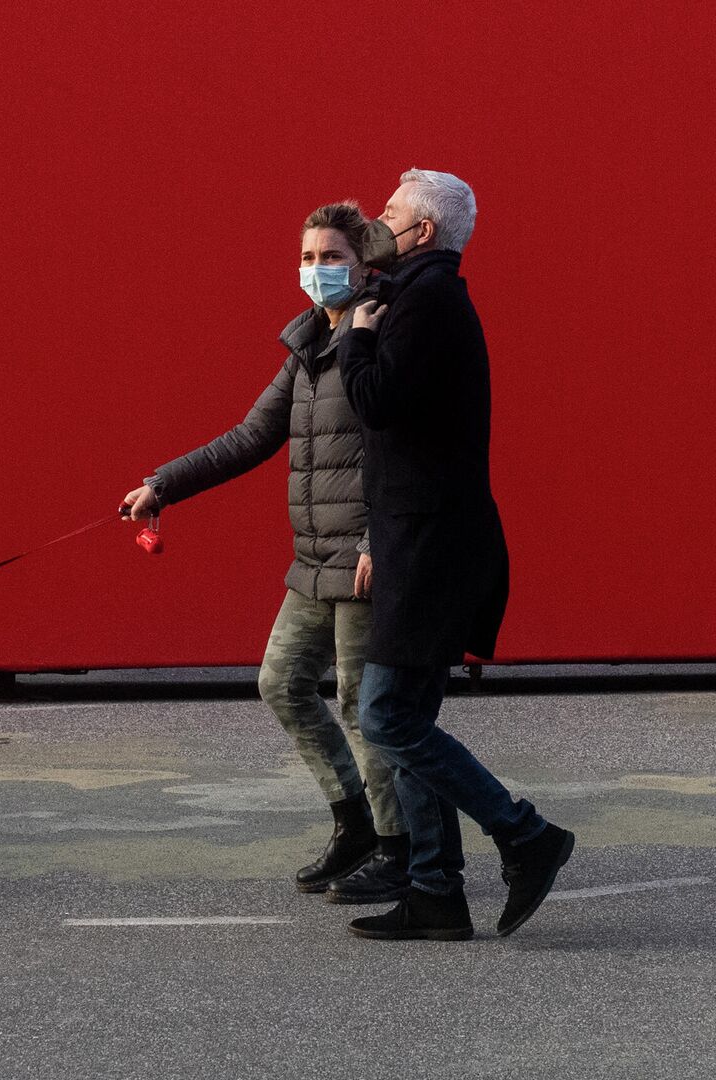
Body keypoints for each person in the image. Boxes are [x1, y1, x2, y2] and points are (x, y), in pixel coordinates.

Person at [121, 202, 408, 903]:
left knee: (359, 705)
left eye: (332, 257)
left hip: (363, 560)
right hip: (313, 558)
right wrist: (163, 484)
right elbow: (249, 438)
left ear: (363, 262)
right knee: (280, 685)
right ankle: (355, 824)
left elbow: (404, 450)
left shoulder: (378, 338)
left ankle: (398, 847)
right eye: (309, 258)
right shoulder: (309, 346)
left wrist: (378, 539)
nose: (317, 271)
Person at [338, 168, 573, 940]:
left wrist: (357, 337)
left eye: (390, 212)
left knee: (388, 718)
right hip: (423, 539)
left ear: (423, 231)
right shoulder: (418, 295)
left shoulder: (427, 302)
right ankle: (436, 890)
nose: (376, 220)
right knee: (407, 716)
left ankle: (527, 835)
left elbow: (376, 401)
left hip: (432, 546)